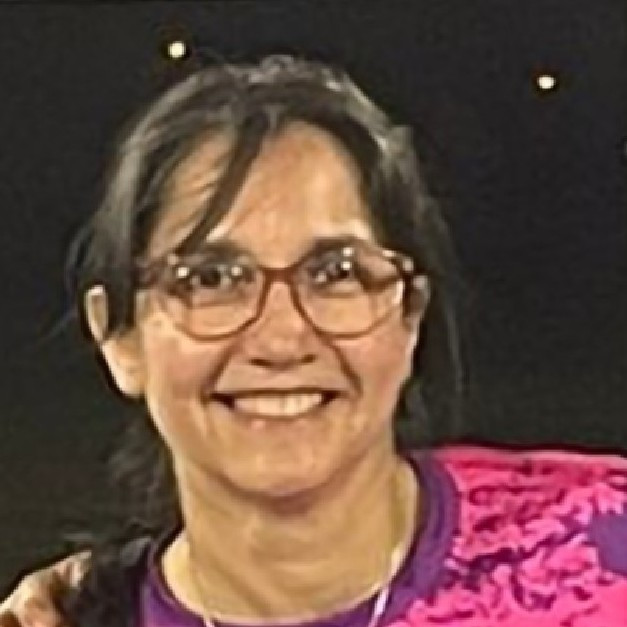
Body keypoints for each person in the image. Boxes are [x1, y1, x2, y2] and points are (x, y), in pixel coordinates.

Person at [1, 54, 627, 627]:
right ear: (119, 338)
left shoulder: (601, 544)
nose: (281, 339)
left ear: (409, 314)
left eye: (337, 273)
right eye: (211, 279)